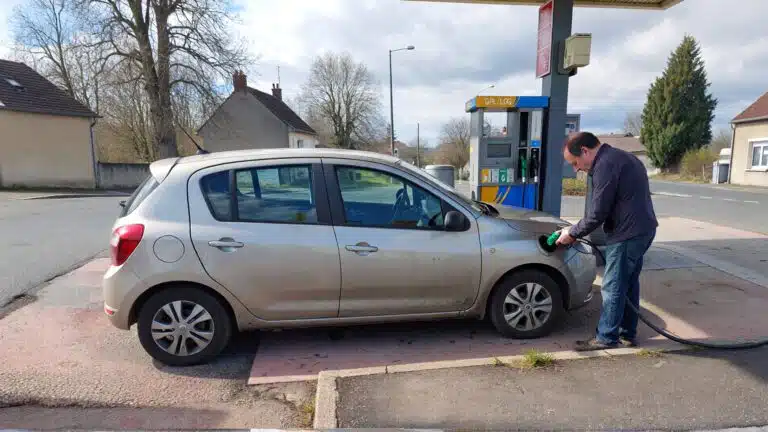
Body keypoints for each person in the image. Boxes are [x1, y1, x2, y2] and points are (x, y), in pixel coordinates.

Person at [556, 132, 658, 351]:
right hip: (643, 230)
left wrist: (572, 233)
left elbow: (597, 214)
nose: (577, 169)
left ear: (585, 150)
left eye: (575, 163)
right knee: (628, 284)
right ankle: (627, 333)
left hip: (627, 235)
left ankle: (606, 337)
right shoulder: (623, 157)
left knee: (612, 286)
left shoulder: (605, 166)